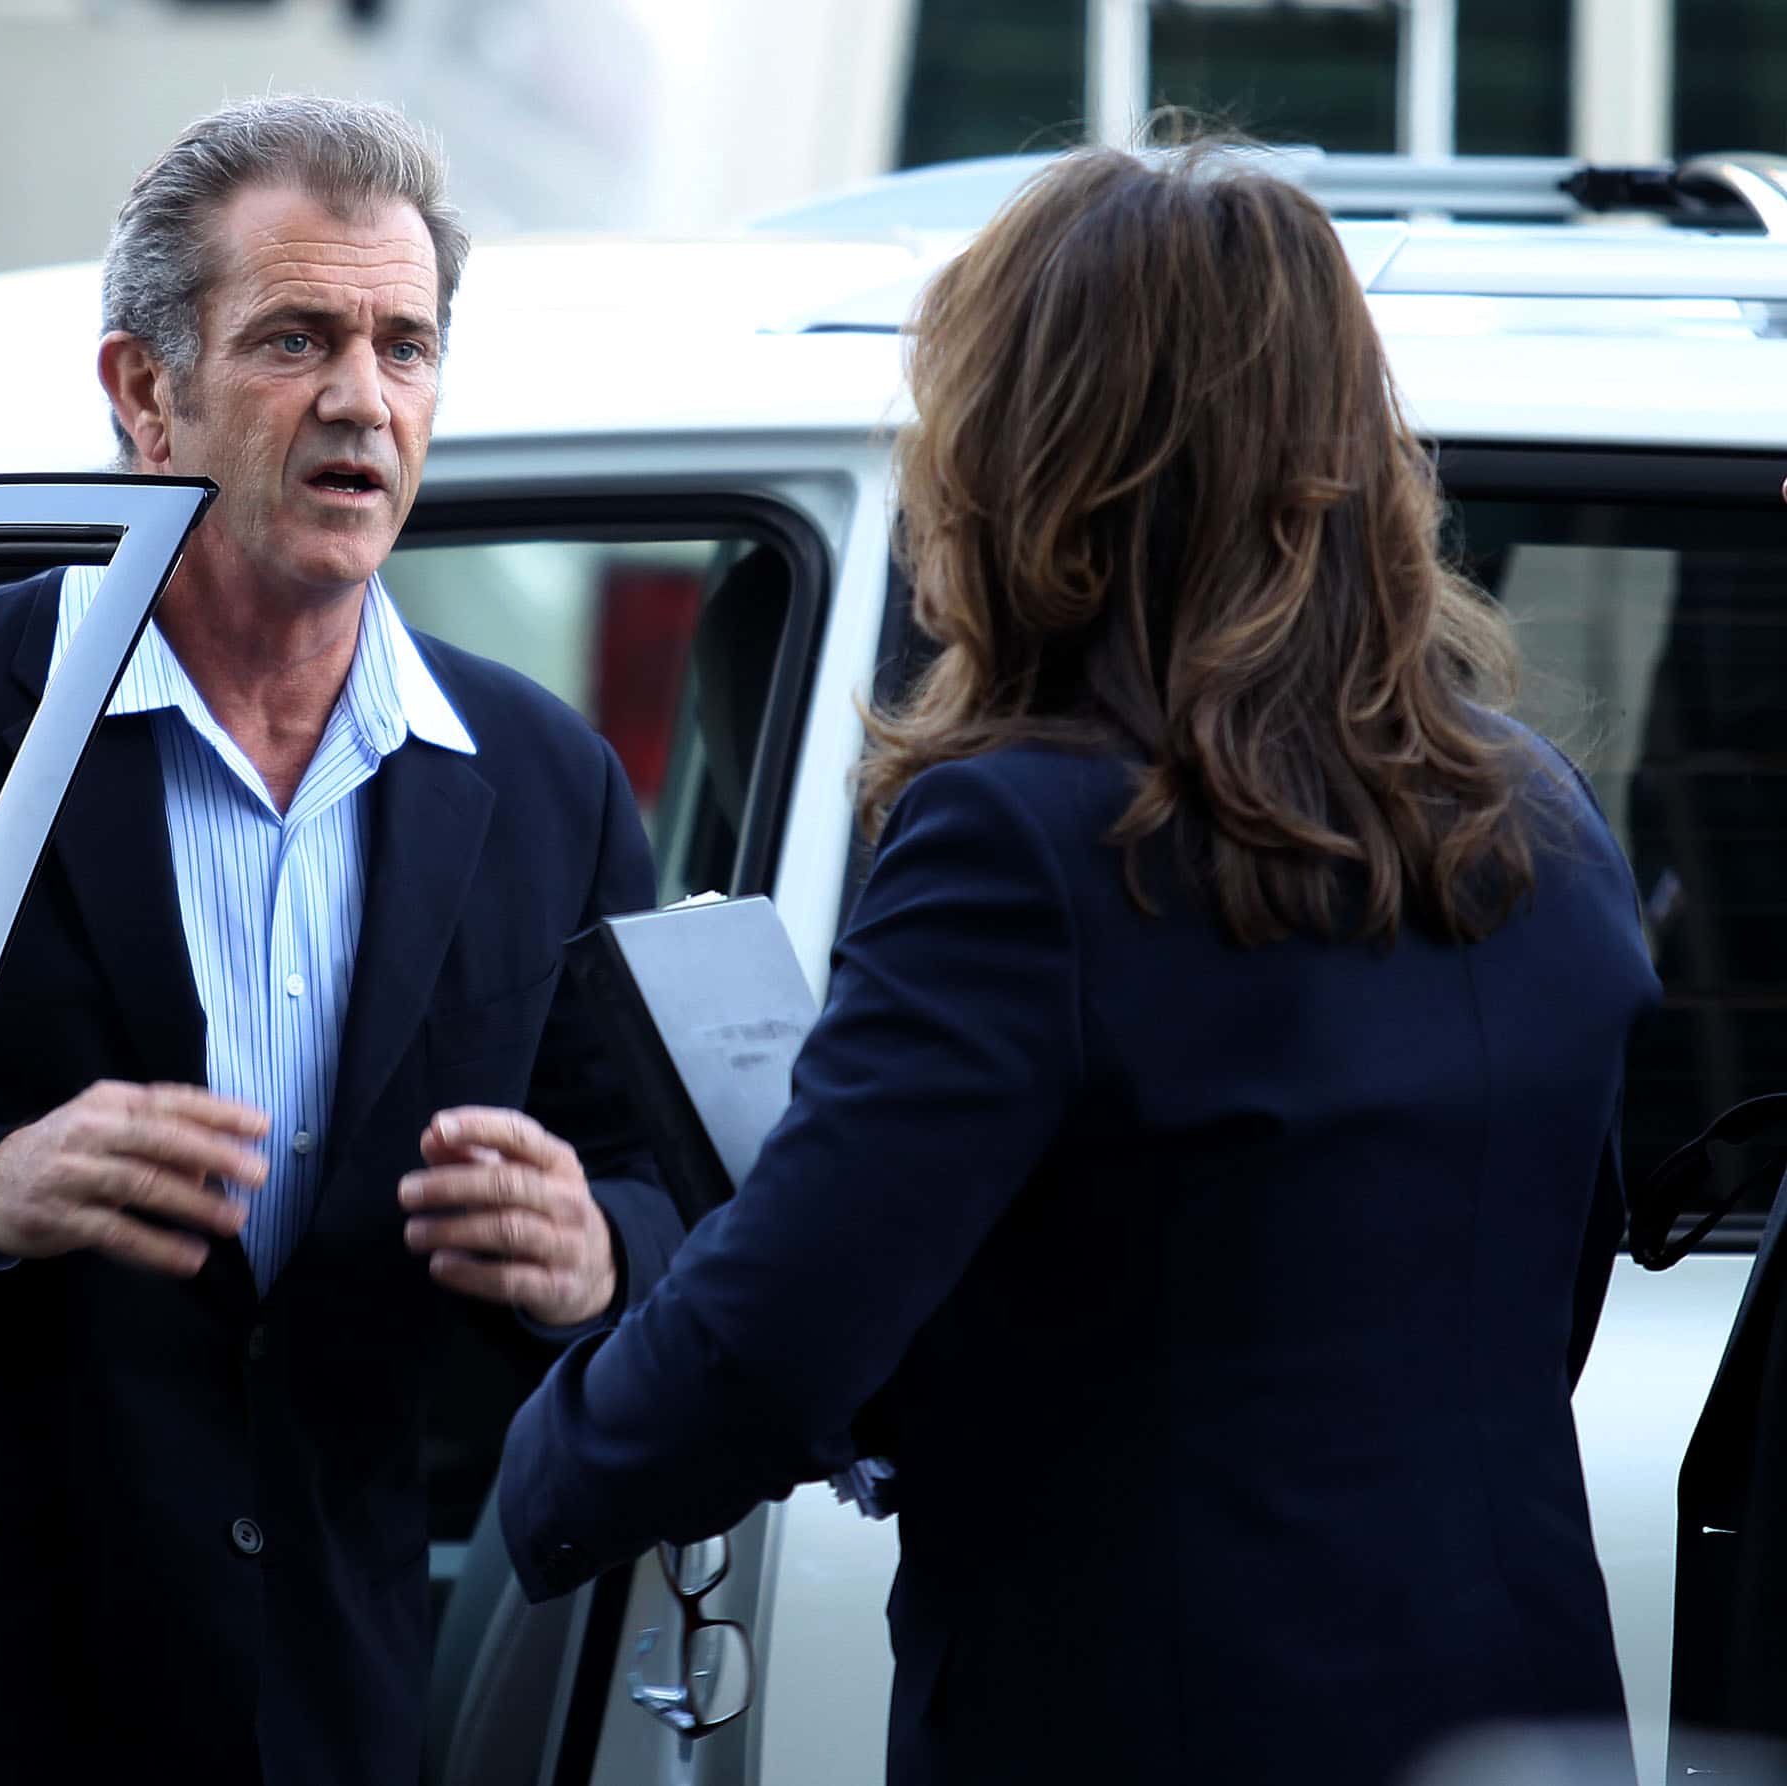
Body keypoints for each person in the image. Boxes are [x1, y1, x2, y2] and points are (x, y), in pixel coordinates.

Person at [497, 144, 1658, 1785]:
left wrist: (537, 1471)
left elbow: (774, 1340)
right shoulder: (1538, 811)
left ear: (1034, 452)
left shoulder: (1025, 839)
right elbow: (1482, 1290)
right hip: (1515, 1722)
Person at [0, 96, 682, 1786]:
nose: (363, 398)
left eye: (406, 347)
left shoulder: (540, 779)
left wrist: (595, 1253)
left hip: (339, 1716)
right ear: (146, 391)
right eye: (297, 338)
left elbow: (681, 1204)